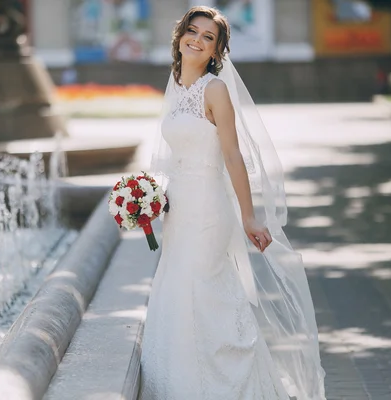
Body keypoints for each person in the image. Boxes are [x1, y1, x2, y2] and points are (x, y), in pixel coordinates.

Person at [140, 6, 326, 399]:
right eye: (192, 31)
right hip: (180, 212)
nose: (197, 39)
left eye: (208, 37)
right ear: (179, 37)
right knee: (177, 292)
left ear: (216, 51)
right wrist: (150, 196)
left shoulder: (215, 90)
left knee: (203, 293)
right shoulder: (176, 83)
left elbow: (232, 157)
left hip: (208, 210)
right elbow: (174, 155)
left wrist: (249, 217)